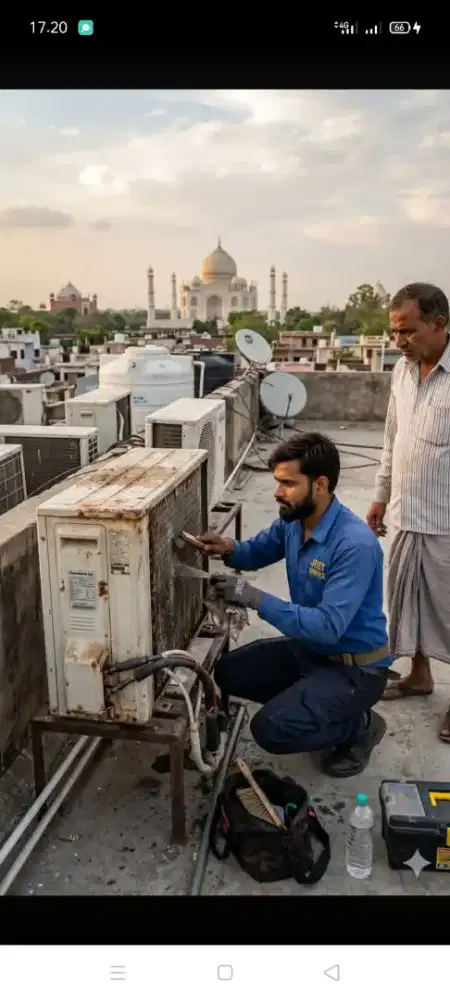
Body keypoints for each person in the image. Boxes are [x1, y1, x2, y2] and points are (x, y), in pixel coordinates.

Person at [199, 431, 393, 778]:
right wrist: (227, 547)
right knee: (228, 671)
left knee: (270, 730)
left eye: (288, 483)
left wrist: (253, 596)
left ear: (320, 485)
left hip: (353, 669)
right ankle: (313, 701)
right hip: (310, 651)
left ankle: (360, 726)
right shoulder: (295, 520)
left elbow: (328, 627)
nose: (277, 492)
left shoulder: (354, 544)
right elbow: (256, 551)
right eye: (277, 482)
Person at [366, 282, 450, 742]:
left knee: (449, 611)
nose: (398, 341)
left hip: (446, 520)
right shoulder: (402, 370)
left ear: (439, 324)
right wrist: (381, 494)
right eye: (394, 331)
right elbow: (391, 437)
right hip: (404, 513)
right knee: (408, 604)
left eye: (408, 331)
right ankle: (420, 676)